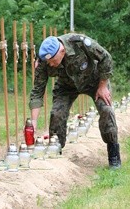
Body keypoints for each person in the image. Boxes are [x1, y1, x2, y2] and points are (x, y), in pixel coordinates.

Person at [28, 33, 121, 169]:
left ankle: (113, 154)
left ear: (62, 51)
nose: (50, 65)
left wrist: (102, 86)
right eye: (48, 63)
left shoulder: (79, 43)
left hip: (94, 81)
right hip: (67, 86)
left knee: (106, 110)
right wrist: (33, 121)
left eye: (53, 61)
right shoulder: (44, 61)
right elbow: (37, 91)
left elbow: (105, 57)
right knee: (57, 114)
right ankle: (56, 152)